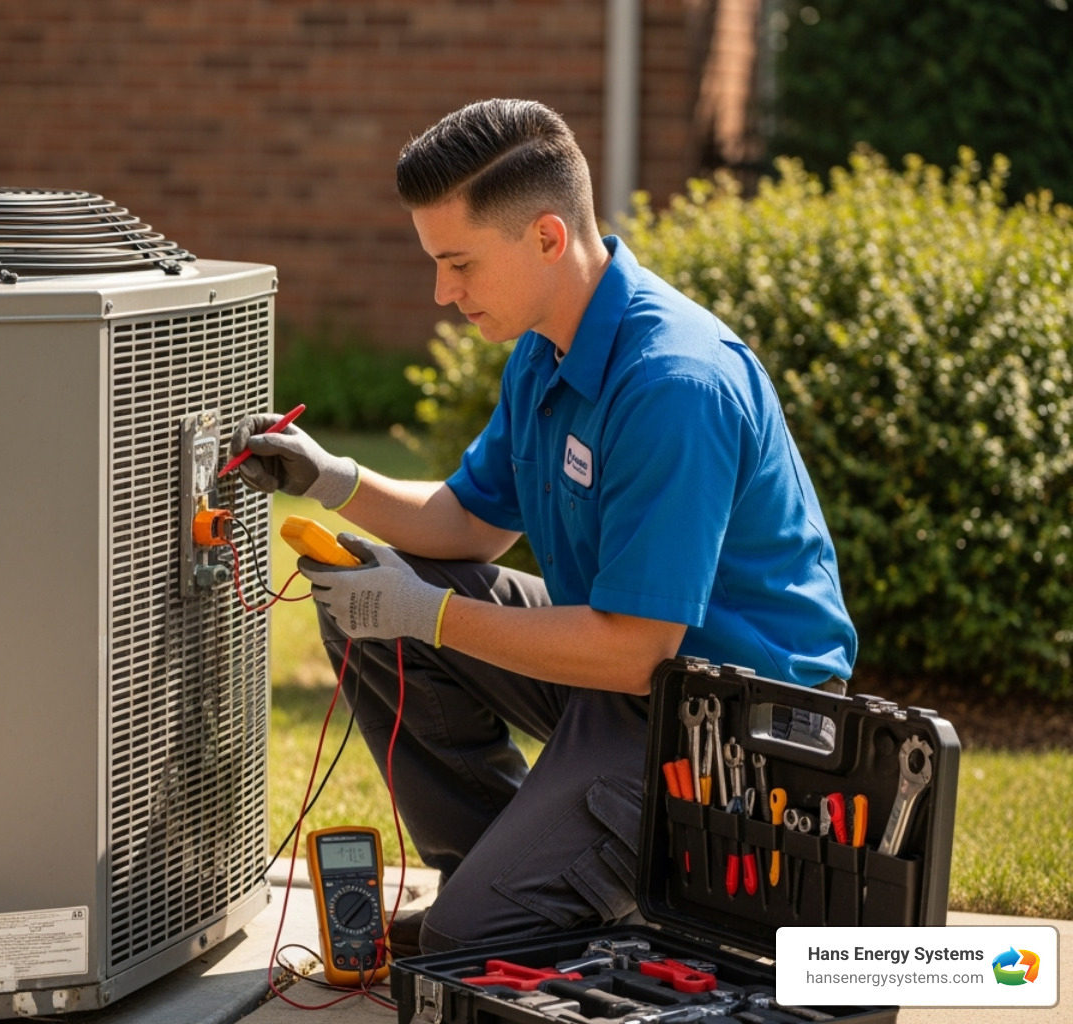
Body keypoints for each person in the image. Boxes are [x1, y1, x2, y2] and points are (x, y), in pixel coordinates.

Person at [229, 99, 857, 957]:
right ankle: (494, 867)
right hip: (628, 679)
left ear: (548, 238)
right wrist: (330, 479)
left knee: (461, 950)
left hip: (730, 735)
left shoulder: (673, 384)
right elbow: (467, 524)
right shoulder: (546, 349)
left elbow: (640, 649)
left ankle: (618, 901)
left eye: (458, 264)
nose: (442, 293)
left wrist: (428, 614)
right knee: (369, 601)